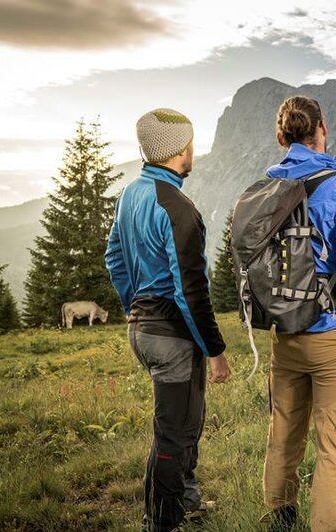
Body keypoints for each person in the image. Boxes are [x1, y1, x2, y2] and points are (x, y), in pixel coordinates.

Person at [105, 108, 231, 532]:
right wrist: (215, 351)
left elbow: (114, 259)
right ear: (181, 149)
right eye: (192, 143)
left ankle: (187, 499)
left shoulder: (129, 195)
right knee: (172, 435)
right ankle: (161, 522)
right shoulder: (177, 207)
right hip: (172, 335)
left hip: (142, 329)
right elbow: (190, 291)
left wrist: (132, 308)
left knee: (188, 419)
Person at [260, 95, 336, 532]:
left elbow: (311, 170)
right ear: (322, 129)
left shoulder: (270, 186)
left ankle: (279, 518)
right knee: (334, 447)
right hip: (334, 334)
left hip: (285, 333)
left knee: (284, 435)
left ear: (280, 137)